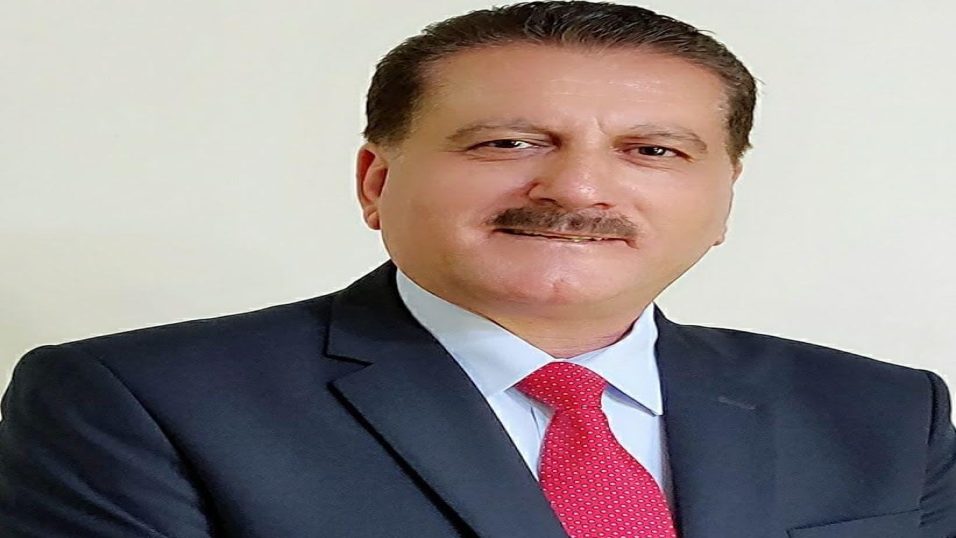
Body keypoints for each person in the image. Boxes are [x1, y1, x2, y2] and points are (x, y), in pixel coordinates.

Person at [1, 1, 953, 536]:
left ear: (723, 198)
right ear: (376, 181)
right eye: (507, 142)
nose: (578, 187)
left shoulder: (884, 412)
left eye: (652, 151)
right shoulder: (135, 402)